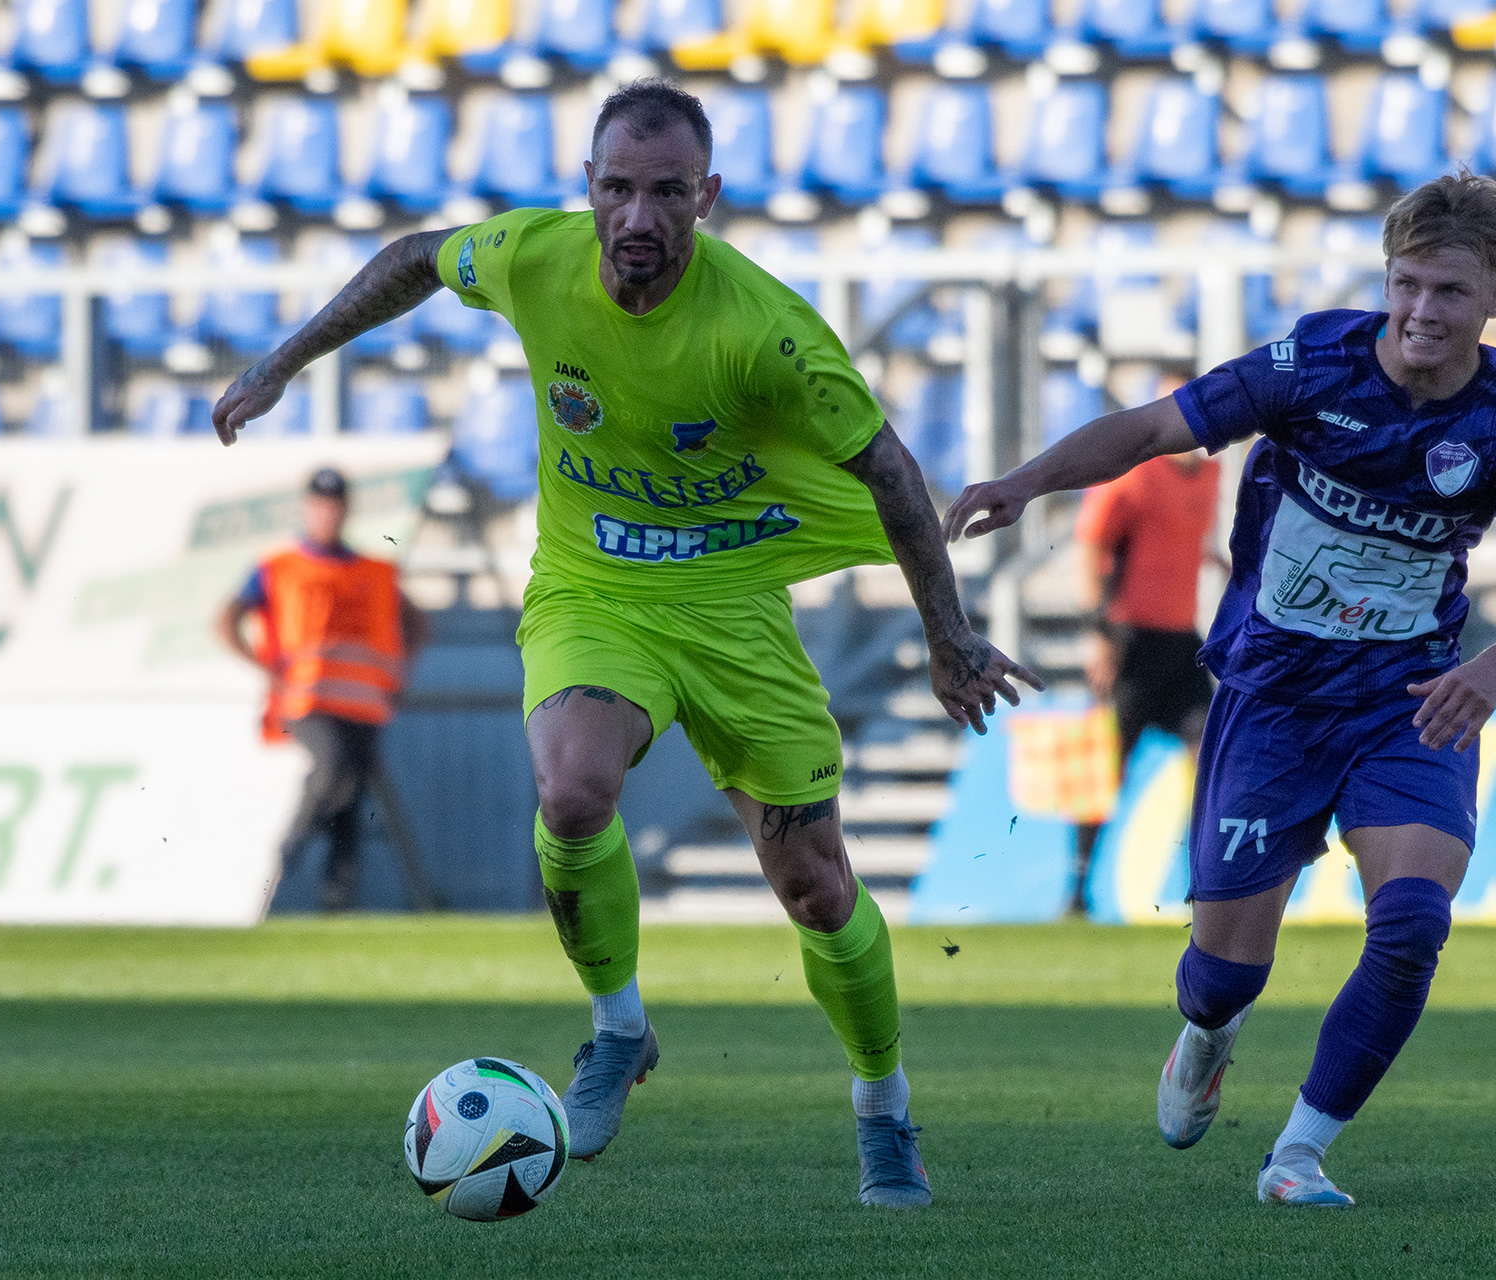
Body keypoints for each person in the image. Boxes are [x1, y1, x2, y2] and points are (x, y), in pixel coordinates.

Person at [209, 79, 1037, 1209]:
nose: (638, 216)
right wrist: (284, 361)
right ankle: (617, 1027)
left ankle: (884, 1106)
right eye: (616, 188)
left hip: (736, 604)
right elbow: (413, 256)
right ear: (587, 191)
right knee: (572, 790)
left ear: (708, 197)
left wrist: (948, 641)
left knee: (814, 885)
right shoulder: (531, 257)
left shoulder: (767, 329)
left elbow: (892, 473)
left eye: (665, 192)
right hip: (595, 591)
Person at [945, 171, 1496, 1207]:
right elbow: (1154, 428)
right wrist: (1024, 481)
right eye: (1408, 284)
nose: (1422, 311)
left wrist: (1492, 667)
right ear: (1388, 278)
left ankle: (1297, 1152)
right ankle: (1208, 1035)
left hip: (1412, 700)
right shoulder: (1312, 365)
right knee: (1224, 975)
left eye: (1451, 293)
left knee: (1414, 923)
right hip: (1273, 697)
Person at [218, 467, 429, 910]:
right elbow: (227, 619)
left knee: (351, 798)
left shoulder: (374, 570)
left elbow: (417, 622)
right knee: (331, 767)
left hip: (365, 703)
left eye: (335, 504)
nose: (328, 513)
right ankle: (290, 848)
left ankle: (336, 903)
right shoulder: (279, 567)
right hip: (305, 699)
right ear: (305, 507)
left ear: (346, 509)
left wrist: (401, 672)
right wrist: (265, 668)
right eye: (319, 504)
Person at [1069, 437, 1221, 912]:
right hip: (1132, 643)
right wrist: (1098, 632)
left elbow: (1184, 541)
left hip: (1181, 641)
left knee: (1213, 755)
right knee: (1107, 767)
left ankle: (1207, 883)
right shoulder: (1137, 476)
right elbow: (1092, 544)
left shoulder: (1211, 477)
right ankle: (1077, 888)